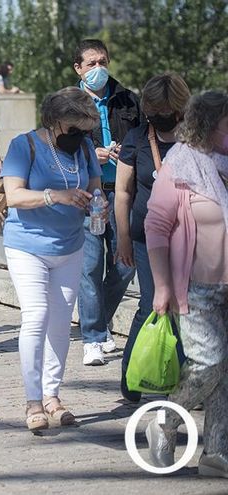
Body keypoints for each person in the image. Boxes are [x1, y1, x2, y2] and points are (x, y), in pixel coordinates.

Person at [0, 87, 104, 432]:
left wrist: (96, 201)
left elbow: (94, 183)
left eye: (86, 131)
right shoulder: (24, 145)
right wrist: (54, 196)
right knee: (37, 315)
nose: (80, 137)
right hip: (27, 245)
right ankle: (32, 399)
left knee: (61, 322)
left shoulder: (84, 148)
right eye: (74, 129)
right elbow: (13, 196)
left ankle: (52, 396)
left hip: (70, 245)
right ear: (56, 120)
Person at [145, 90, 228, 477]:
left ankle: (216, 451)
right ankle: (165, 418)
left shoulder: (224, 163)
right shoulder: (180, 166)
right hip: (196, 287)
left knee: (225, 369)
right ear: (211, 124)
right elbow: (157, 228)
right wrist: (161, 286)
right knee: (209, 361)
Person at [114, 72, 190, 402]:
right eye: (153, 109)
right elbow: (122, 191)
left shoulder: (196, 139)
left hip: (190, 237)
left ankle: (184, 381)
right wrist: (123, 238)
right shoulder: (136, 138)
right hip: (147, 237)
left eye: (164, 109)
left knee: (187, 307)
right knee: (151, 303)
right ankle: (133, 375)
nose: (158, 116)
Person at [72, 39, 142, 366]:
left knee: (125, 265)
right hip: (89, 193)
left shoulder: (128, 99)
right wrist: (91, 153)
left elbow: (143, 138)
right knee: (89, 267)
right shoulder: (68, 104)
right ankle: (93, 339)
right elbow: (57, 147)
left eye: (103, 62)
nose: (98, 69)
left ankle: (100, 320)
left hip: (122, 192)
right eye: (91, 64)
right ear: (78, 69)